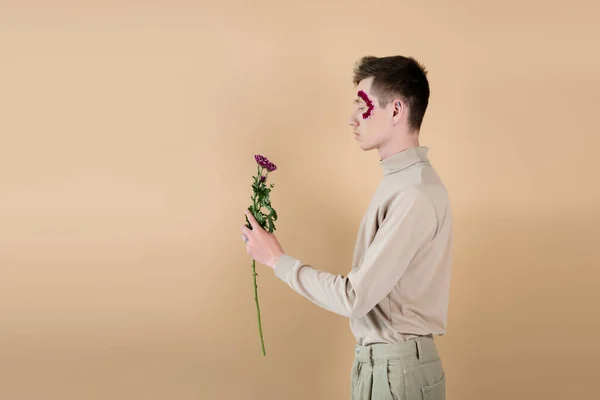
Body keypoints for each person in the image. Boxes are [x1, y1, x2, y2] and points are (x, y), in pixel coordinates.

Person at [241, 55, 452, 400]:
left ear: (396, 110)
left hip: (396, 372)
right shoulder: (402, 184)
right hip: (384, 368)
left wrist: (277, 260)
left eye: (362, 105)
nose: (352, 119)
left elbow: (354, 297)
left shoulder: (413, 194)